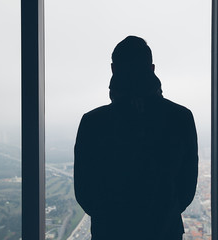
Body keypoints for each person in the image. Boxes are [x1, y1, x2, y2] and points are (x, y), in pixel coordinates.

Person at [74, 36, 198, 240]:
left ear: (113, 69)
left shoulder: (93, 122)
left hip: (111, 232)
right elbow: (186, 189)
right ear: (152, 68)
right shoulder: (180, 117)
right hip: (164, 231)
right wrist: (163, 214)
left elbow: (85, 192)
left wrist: (111, 219)